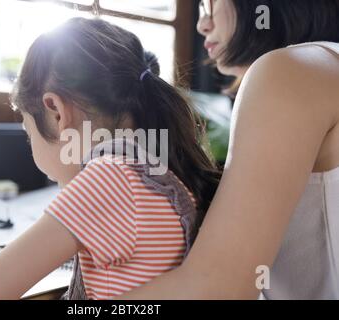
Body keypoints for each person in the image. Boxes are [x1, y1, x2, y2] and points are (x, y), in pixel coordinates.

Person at [0, 17, 220, 300]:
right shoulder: (166, 171)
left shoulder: (110, 178)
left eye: (27, 129)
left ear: (56, 111)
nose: (29, 141)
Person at [117, 0, 339, 299]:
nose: (202, 24)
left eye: (210, 3)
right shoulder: (322, 67)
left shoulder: (289, 72)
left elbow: (217, 287)